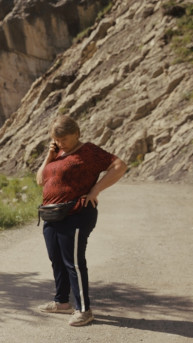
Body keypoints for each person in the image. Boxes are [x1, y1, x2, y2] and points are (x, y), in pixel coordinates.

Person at [35, 115, 127, 326]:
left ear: (76, 133)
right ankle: (61, 302)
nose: (60, 143)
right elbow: (41, 180)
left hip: (76, 214)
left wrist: (95, 190)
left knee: (74, 263)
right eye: (56, 140)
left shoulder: (89, 151)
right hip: (51, 214)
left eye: (64, 139)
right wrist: (50, 156)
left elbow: (120, 166)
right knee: (56, 259)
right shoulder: (57, 152)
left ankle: (84, 310)